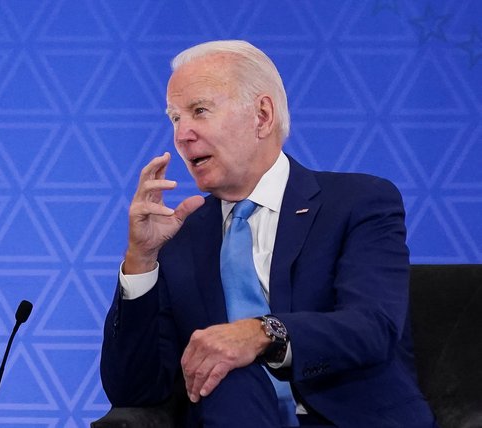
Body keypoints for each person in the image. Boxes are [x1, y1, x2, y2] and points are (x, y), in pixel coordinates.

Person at [100, 40, 437, 427]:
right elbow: (133, 390)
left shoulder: (357, 202)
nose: (182, 134)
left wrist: (261, 334)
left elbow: (372, 326)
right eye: (175, 118)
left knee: (233, 352)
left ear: (261, 115)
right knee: (227, 372)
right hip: (233, 415)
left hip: (347, 418)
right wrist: (141, 259)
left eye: (199, 111)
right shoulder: (179, 235)